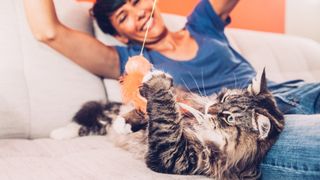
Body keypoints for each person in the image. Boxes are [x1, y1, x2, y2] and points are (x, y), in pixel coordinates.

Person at [24, 0, 320, 179]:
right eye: (123, 17)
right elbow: (48, 31)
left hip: (285, 92)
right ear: (118, 34)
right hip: (246, 126)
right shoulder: (129, 59)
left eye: (136, 2)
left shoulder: (201, 24)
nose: (137, 14)